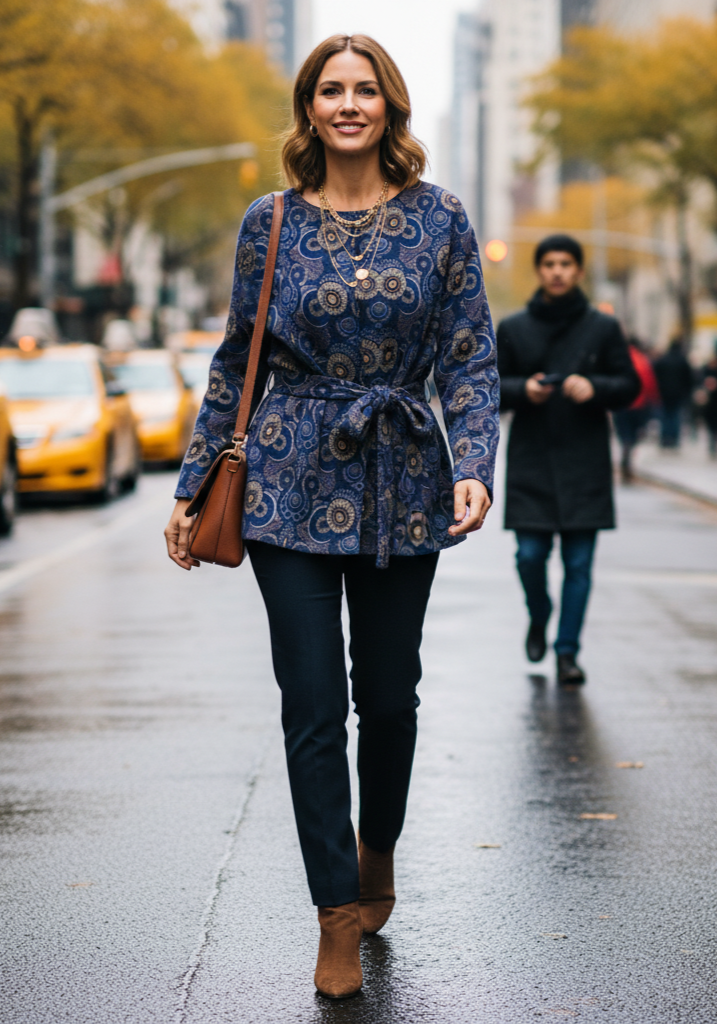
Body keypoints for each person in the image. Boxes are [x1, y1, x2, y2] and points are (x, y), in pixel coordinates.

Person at [164, 34, 499, 1000]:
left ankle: (376, 842)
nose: (348, 105)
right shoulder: (268, 222)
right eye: (330, 90)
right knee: (311, 705)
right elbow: (238, 359)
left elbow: (470, 355)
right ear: (309, 108)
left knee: (387, 698)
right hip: (287, 481)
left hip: (404, 477)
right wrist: (192, 486)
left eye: (365, 90)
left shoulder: (441, 218)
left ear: (390, 106)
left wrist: (474, 464)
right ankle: (335, 913)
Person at [497, 235, 639, 685]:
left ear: (578, 271)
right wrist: (525, 389)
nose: (557, 271)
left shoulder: (603, 327)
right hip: (531, 461)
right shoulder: (515, 326)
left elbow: (630, 385)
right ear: (539, 270)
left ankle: (567, 653)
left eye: (565, 264)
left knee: (578, 567)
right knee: (529, 557)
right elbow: (489, 388)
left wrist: (594, 387)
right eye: (549, 264)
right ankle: (540, 614)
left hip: (585, 462)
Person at [614, 336, 660, 482]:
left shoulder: (619, 358)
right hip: (638, 404)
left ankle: (626, 446)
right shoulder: (642, 360)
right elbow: (649, 382)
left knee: (624, 431)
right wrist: (654, 399)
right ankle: (629, 449)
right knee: (635, 433)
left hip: (621, 403)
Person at [653, 337, 693, 448]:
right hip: (678, 393)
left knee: (665, 415)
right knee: (676, 415)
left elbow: (655, 376)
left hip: (664, 392)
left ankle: (664, 437)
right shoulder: (682, 361)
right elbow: (689, 379)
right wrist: (687, 393)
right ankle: (674, 438)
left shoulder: (663, 360)